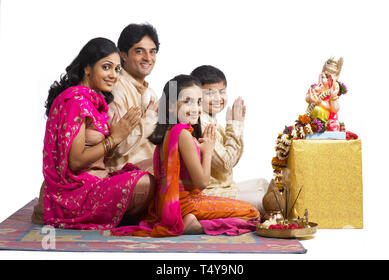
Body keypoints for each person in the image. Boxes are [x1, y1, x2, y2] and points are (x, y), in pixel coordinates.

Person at [111, 75, 260, 236]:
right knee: (253, 213)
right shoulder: (183, 135)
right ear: (170, 106)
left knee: (244, 208)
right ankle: (195, 225)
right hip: (185, 204)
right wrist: (208, 150)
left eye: (198, 102)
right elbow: (202, 182)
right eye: (187, 101)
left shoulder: (169, 132)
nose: (195, 108)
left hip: (167, 205)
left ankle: (192, 220)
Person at [31, 38, 155, 229]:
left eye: (117, 69)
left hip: (99, 179)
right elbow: (76, 162)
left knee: (159, 164)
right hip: (76, 192)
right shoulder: (75, 103)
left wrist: (114, 137)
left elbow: (98, 154)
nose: (113, 75)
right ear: (87, 68)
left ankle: (128, 213)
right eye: (106, 67)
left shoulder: (94, 103)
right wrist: (114, 138)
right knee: (146, 183)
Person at [190, 65, 268, 214]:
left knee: (263, 184)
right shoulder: (200, 122)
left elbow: (231, 162)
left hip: (225, 187)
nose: (218, 98)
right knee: (265, 199)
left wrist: (234, 127)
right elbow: (226, 164)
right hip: (208, 193)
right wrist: (235, 126)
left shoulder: (211, 119)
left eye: (222, 91)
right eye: (210, 93)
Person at [105, 23, 160, 173]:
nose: (148, 58)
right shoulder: (115, 88)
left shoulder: (151, 93)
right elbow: (119, 147)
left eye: (152, 52)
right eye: (139, 51)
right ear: (123, 55)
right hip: (123, 174)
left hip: (151, 168)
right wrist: (151, 117)